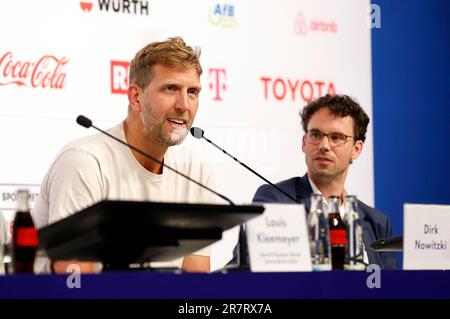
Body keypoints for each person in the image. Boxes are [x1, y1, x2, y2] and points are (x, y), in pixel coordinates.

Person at [33, 37, 216, 273]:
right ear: (135, 97)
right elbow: (73, 282)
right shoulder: (84, 161)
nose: (184, 105)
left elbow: (195, 286)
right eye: (170, 88)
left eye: (192, 92)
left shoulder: (196, 172)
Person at [253, 94, 397, 270]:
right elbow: (247, 275)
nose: (324, 145)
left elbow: (391, 289)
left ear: (356, 149)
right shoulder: (276, 200)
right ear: (304, 142)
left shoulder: (377, 223)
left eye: (336, 137)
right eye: (316, 134)